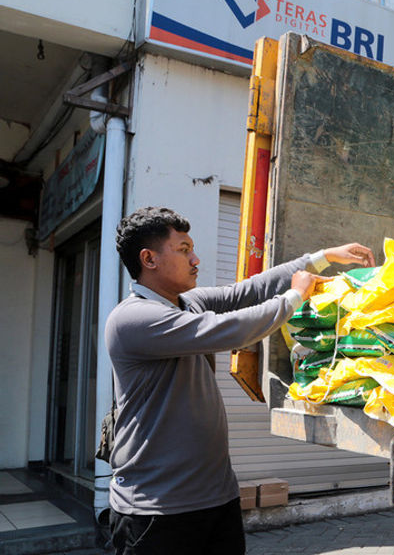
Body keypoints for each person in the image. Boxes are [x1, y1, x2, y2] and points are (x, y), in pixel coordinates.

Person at [104, 206, 374, 555]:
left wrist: (319, 258)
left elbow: (247, 291)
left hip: (217, 499)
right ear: (149, 259)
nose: (195, 259)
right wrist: (294, 297)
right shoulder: (134, 320)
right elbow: (229, 330)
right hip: (157, 511)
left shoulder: (187, 303)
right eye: (184, 250)